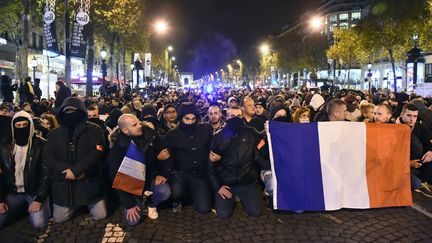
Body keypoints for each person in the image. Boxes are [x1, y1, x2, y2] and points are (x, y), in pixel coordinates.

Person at [44, 97, 107, 223]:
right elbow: (48, 156)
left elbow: (97, 152)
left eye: (73, 111)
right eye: (66, 111)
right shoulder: (54, 134)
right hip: (64, 182)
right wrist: (65, 170)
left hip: (88, 179)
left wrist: (77, 170)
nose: (70, 114)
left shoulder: (94, 129)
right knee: (59, 218)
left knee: (100, 214)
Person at [107, 114, 171, 225]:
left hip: (151, 177)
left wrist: (164, 174)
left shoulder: (151, 134)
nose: (140, 125)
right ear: (125, 130)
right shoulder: (118, 148)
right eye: (135, 125)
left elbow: (166, 153)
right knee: (132, 221)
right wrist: (129, 204)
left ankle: (152, 204)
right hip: (132, 186)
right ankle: (139, 202)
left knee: (164, 191)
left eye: (139, 122)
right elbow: (116, 178)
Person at [208, 106, 270, 218]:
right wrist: (218, 187)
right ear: (226, 117)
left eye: (239, 116)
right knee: (223, 214)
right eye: (232, 116)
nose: (236, 119)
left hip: (247, 181)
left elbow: (265, 152)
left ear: (242, 117)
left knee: (255, 212)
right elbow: (210, 165)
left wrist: (268, 135)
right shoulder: (218, 136)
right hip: (227, 183)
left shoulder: (251, 133)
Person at [0, 111, 50, 229]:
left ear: (31, 125)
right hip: (12, 192)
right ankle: (21, 208)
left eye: (25, 125)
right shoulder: (4, 146)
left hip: (34, 192)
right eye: (18, 126)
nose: (22, 128)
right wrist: (0, 200)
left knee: (39, 223)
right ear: (13, 127)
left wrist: (39, 199)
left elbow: (47, 175)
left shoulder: (41, 145)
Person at [165, 102, 213, 214]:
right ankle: (180, 198)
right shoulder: (172, 134)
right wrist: (169, 174)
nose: (190, 122)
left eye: (193, 119)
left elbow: (210, 147)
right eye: (187, 119)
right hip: (181, 173)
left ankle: (194, 194)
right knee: (176, 192)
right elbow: (169, 157)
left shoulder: (205, 129)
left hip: (200, 174)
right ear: (181, 118)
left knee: (204, 208)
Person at [395, 104, 432, 197]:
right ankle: (422, 183)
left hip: (420, 162)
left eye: (415, 116)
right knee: (416, 183)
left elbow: (428, 142)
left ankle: (423, 181)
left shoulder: (420, 127)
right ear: (402, 114)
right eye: (409, 115)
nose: (412, 119)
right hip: (401, 166)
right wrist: (408, 163)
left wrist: (430, 152)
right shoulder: (392, 128)